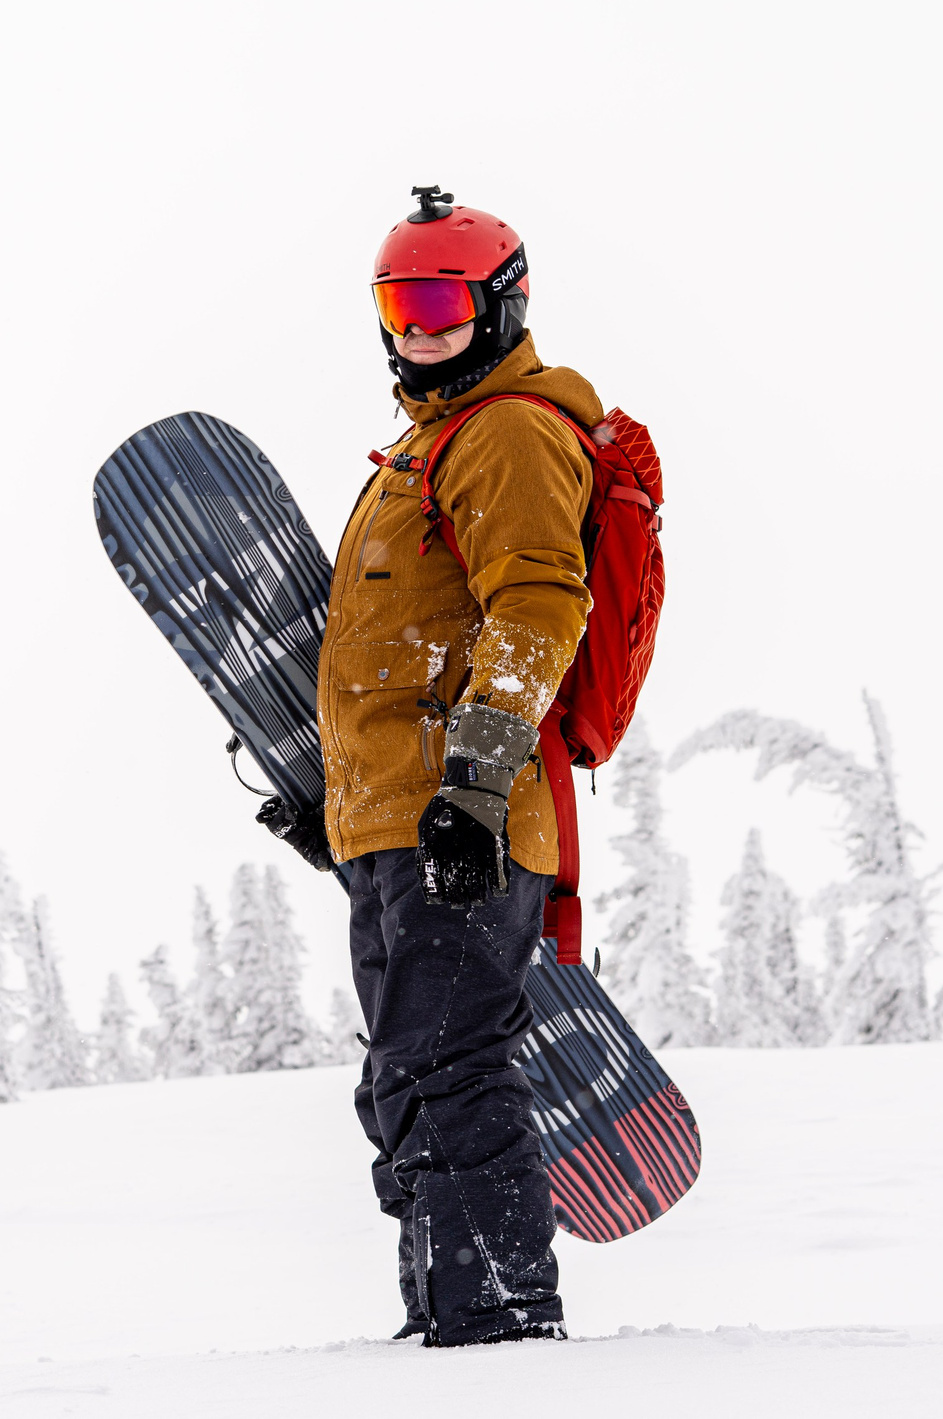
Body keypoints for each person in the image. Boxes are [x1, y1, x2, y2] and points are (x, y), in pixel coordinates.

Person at [258, 187, 601, 1347]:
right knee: (404, 1078)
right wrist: (338, 808)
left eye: (441, 304)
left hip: (471, 817)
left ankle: (499, 1323)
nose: (416, 330)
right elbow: (391, 657)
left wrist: (473, 782)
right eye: (397, 305)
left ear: (499, 307)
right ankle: (443, 1317)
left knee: (448, 1064)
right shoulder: (416, 451)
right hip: (401, 824)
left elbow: (538, 603)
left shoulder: (507, 431)